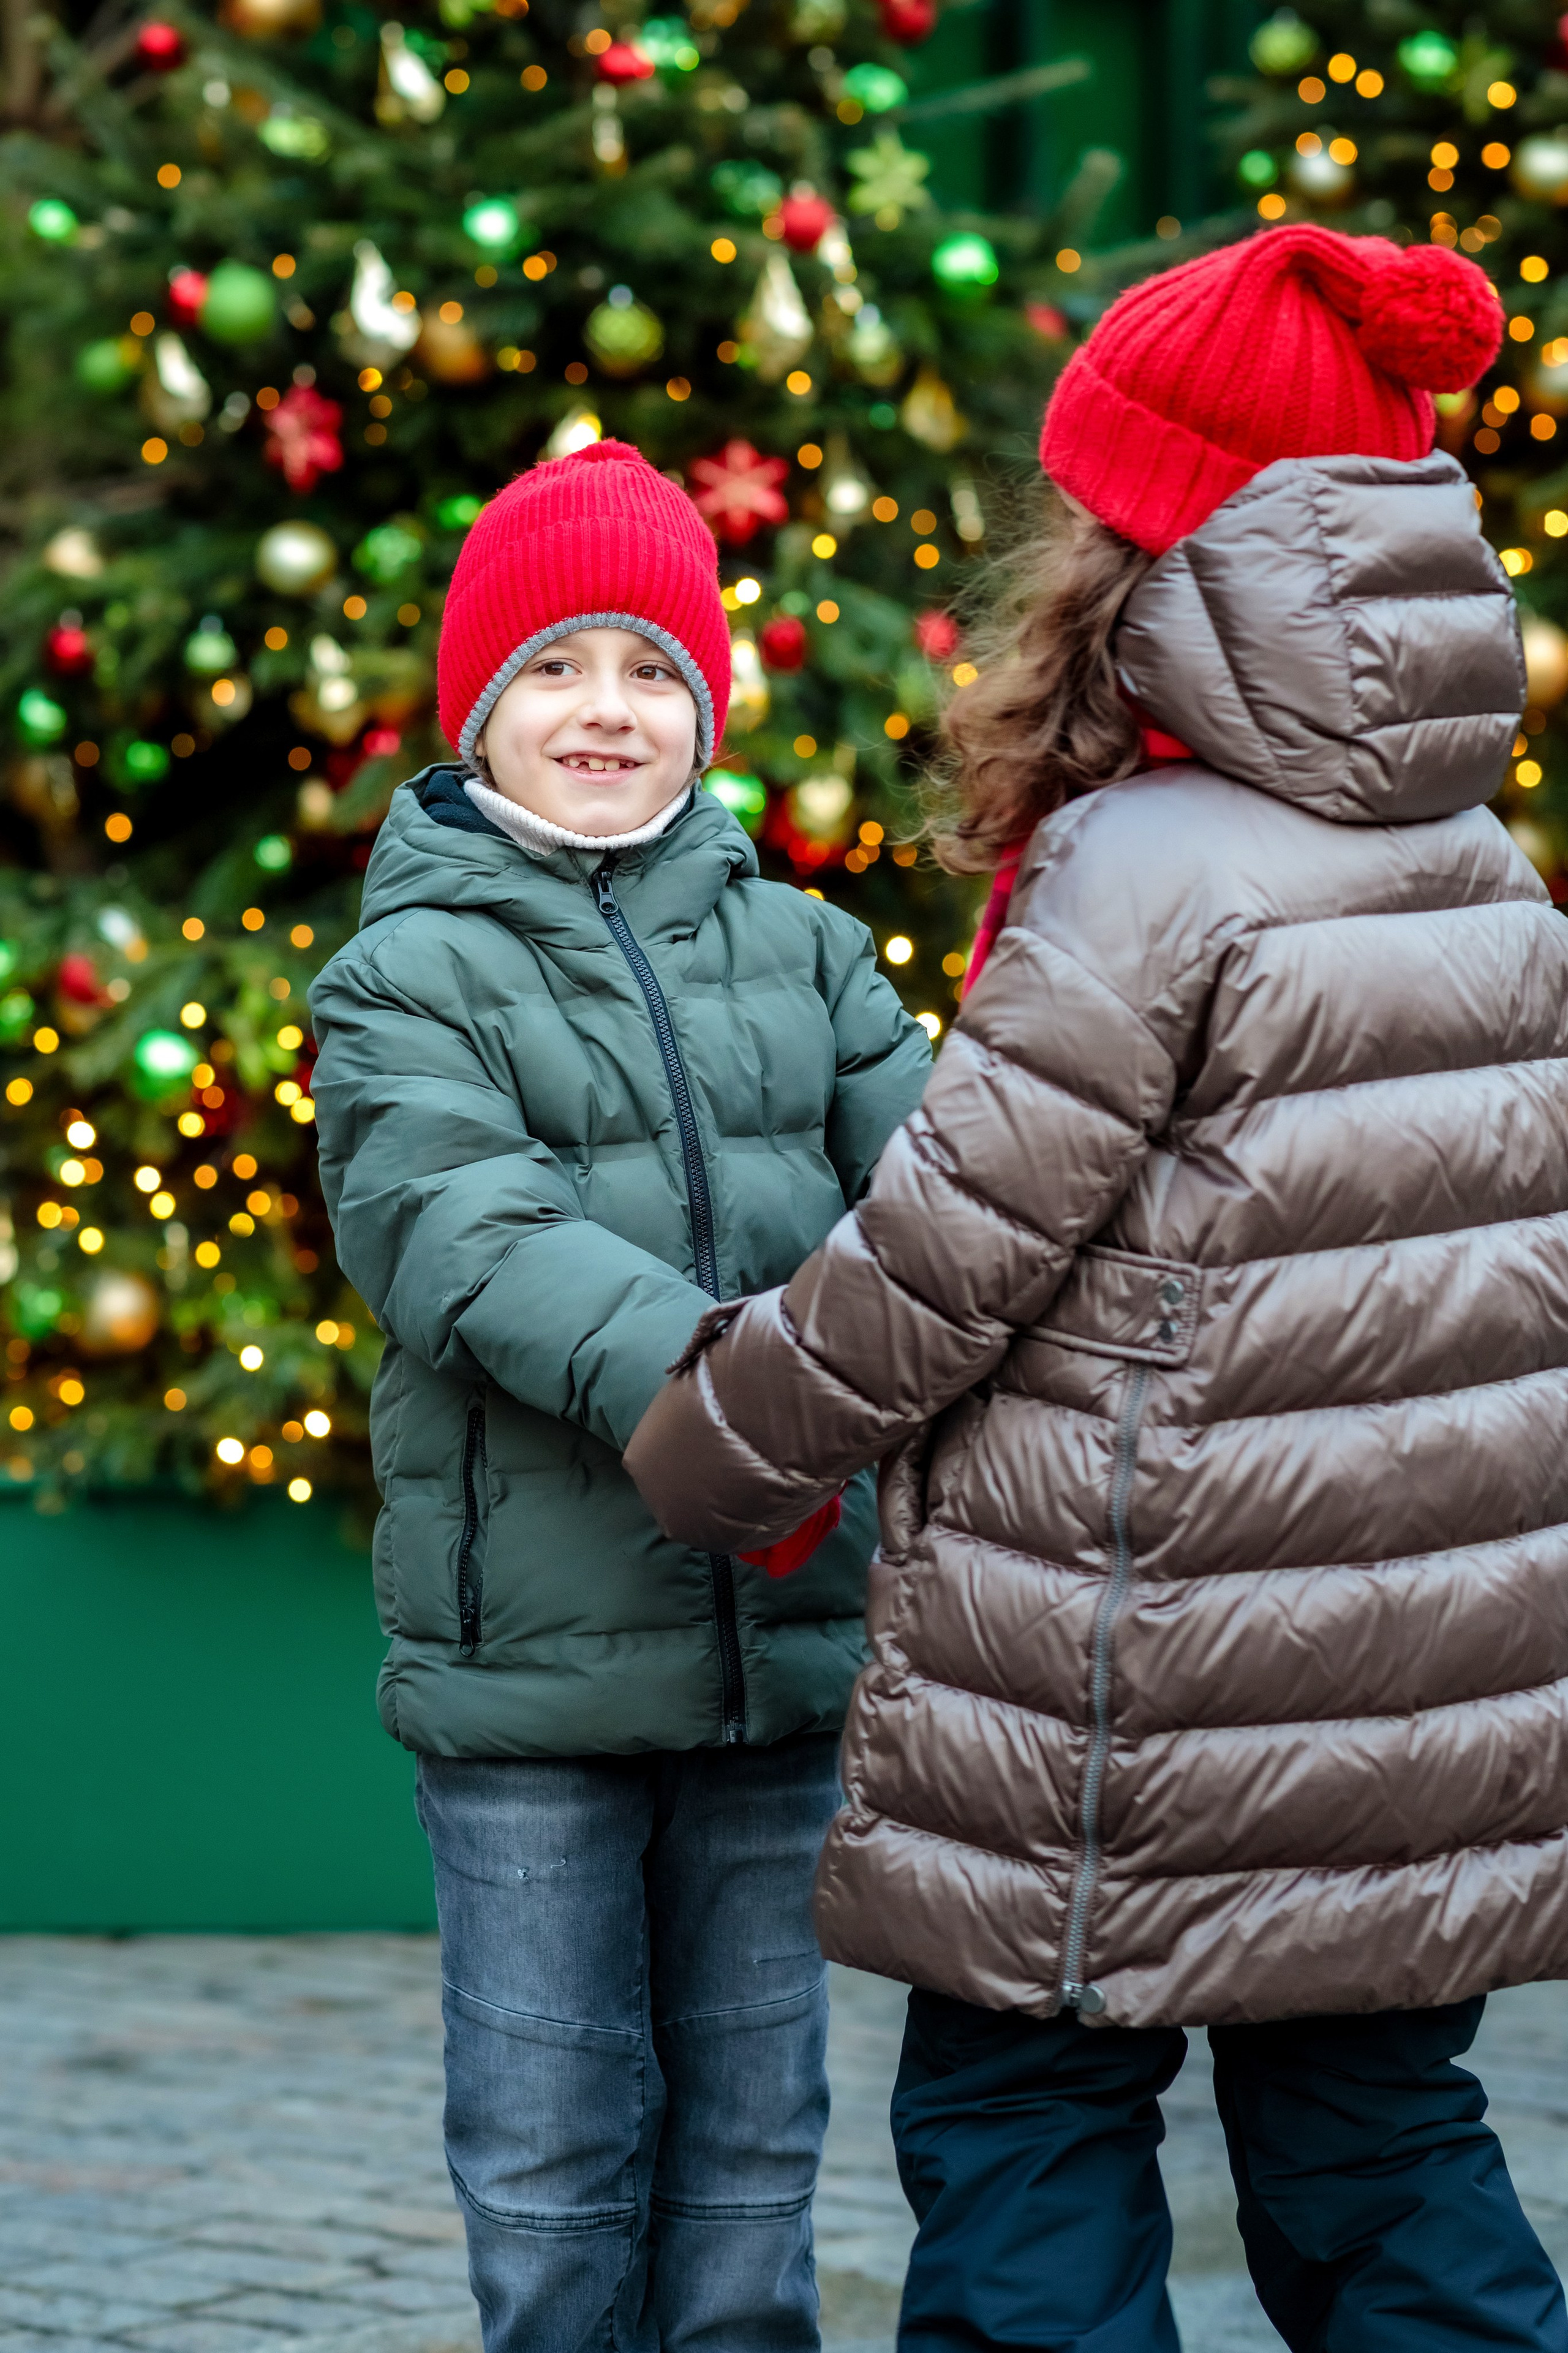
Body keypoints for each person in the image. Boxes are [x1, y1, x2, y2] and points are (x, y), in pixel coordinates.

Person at [623, 227, 1568, 2349]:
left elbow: (952, 1255)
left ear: (1157, 547)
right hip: (1419, 1685)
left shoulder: (1146, 870)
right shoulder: (1487, 864)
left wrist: (717, 1434)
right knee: (1386, 2147)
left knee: (1029, 2126)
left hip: (1130, 1679)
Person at [308, 438, 930, 2353]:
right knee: (554, 2148)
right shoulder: (402, 977)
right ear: (481, 706)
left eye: (655, 669)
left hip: (779, 1650)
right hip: (536, 1679)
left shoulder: (811, 952)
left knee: (754, 2153)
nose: (609, 708)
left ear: (708, 711)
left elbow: (943, 1196)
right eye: (560, 665)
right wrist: (730, 1387)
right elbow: (465, 1235)